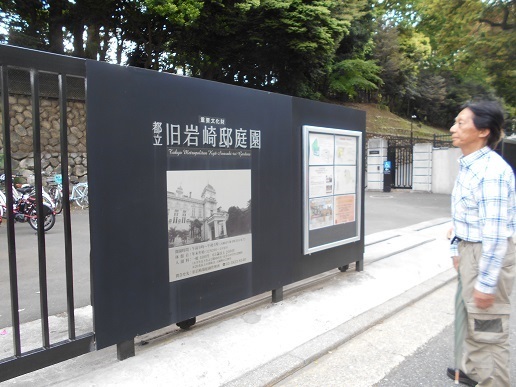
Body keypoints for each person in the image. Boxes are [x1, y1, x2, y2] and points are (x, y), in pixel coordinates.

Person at [447, 100, 516, 386]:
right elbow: (462, 215)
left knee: (487, 329)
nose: (453, 128)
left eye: (461, 123)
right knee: (470, 318)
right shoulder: (471, 166)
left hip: (486, 254)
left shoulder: (492, 172)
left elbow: (496, 234)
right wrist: (456, 248)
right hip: (470, 250)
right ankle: (474, 372)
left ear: (484, 131)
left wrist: (486, 284)